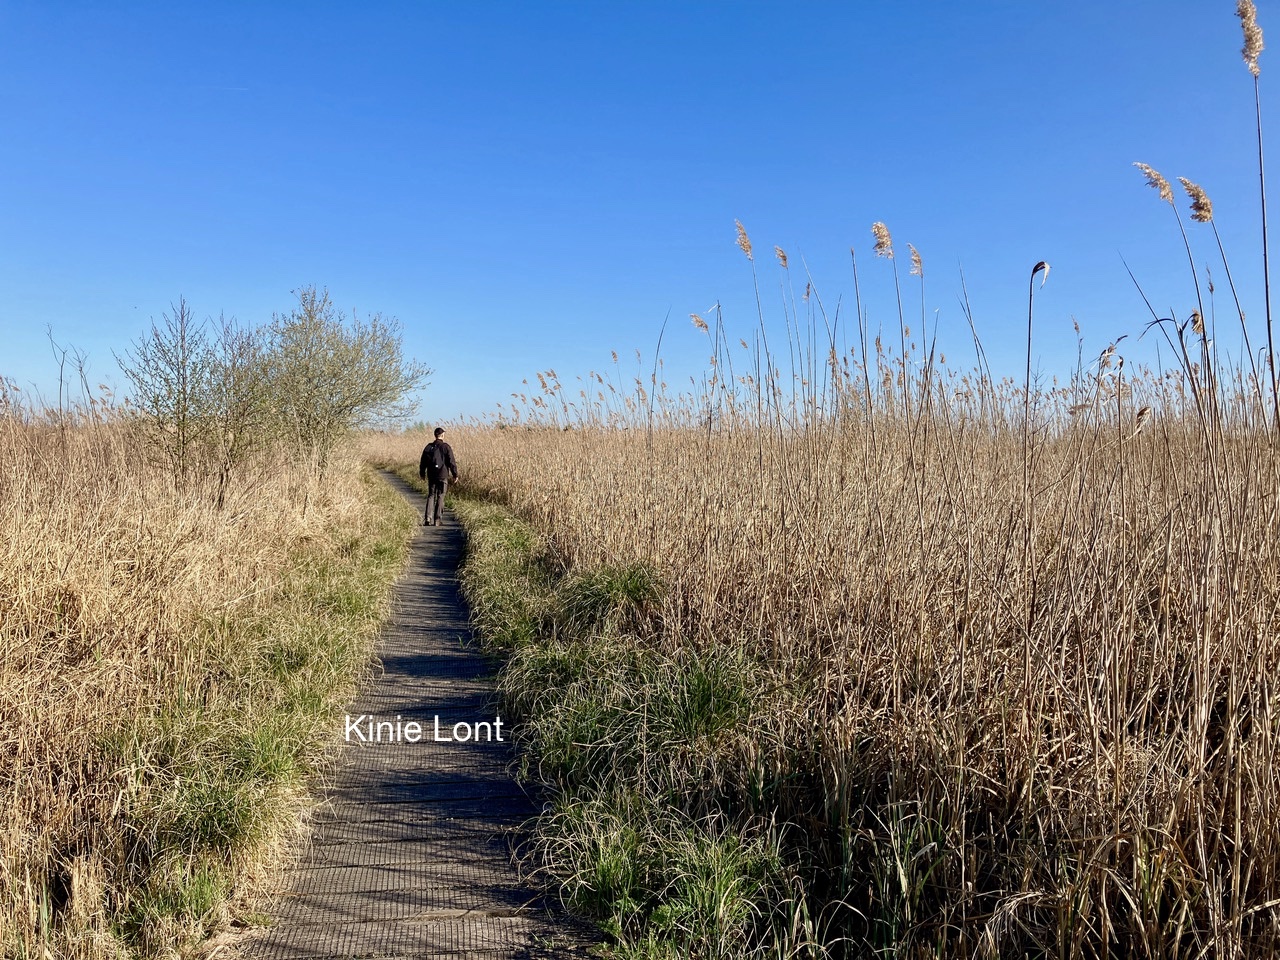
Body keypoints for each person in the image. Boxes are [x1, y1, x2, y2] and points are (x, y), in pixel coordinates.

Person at [418, 427, 459, 526]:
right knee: (441, 495)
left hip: (431, 475)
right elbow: (451, 461)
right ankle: (437, 519)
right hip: (443, 475)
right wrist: (455, 474)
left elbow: (423, 462)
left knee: (431, 495)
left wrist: (422, 473)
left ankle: (428, 518)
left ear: (435, 435)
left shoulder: (428, 447)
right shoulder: (446, 447)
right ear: (442, 435)